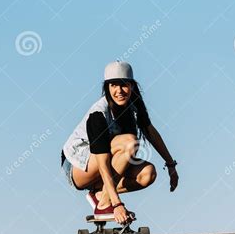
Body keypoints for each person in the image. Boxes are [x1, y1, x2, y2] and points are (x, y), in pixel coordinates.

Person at [61, 61, 178, 224]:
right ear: (107, 88)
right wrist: (117, 204)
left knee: (148, 173)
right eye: (113, 85)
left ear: (132, 86)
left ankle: (100, 195)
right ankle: (105, 204)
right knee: (129, 142)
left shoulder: (133, 104)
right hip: (77, 166)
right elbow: (102, 162)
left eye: (124, 85)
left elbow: (150, 131)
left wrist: (170, 164)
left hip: (106, 160)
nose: (119, 91)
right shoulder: (98, 114)